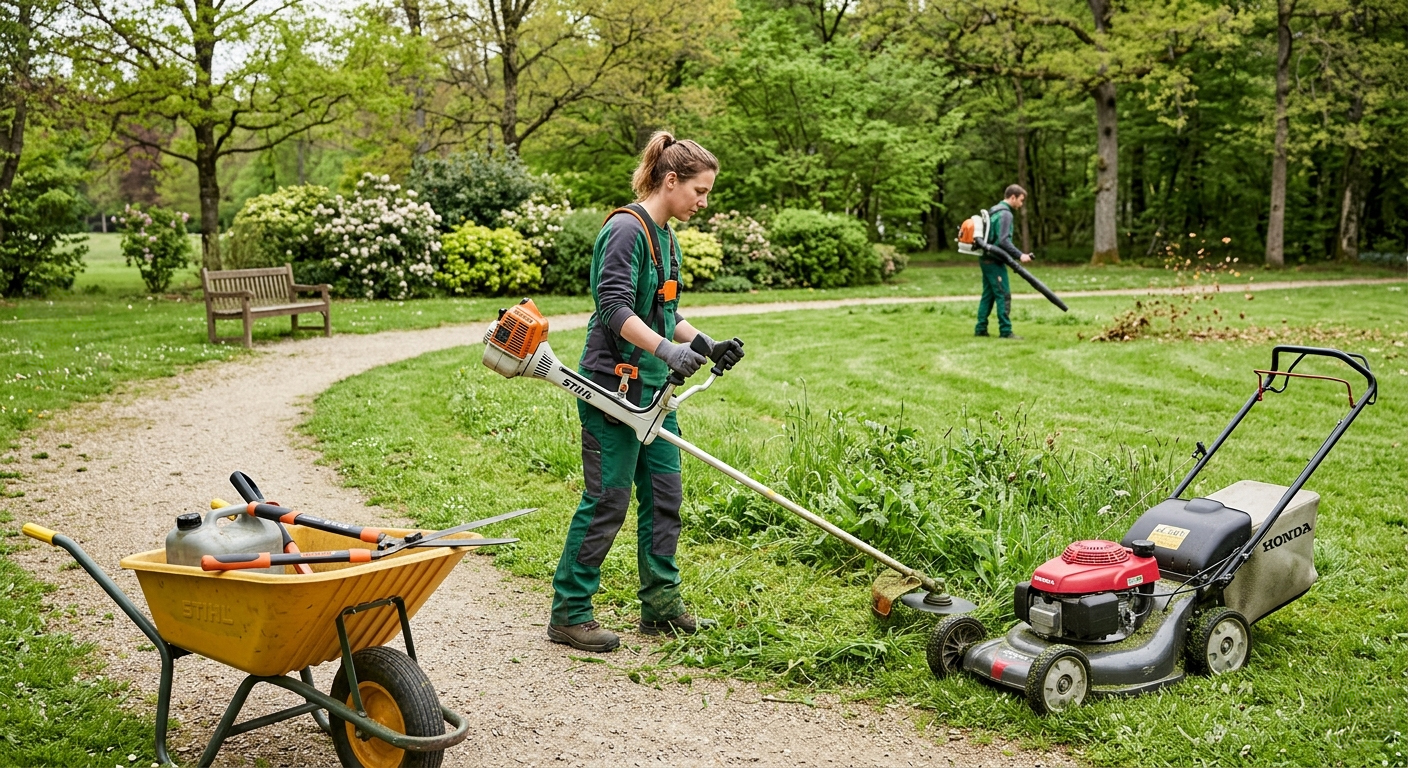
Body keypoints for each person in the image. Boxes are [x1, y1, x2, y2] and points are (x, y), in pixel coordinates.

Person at [547, 131, 745, 653]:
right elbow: (614, 310)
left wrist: (704, 343)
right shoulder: (625, 230)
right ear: (671, 180)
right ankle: (569, 611)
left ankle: (660, 607)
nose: (703, 202)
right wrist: (664, 349)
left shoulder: (667, 238)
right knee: (608, 500)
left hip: (656, 393)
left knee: (664, 498)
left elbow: (666, 312)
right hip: (612, 387)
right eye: (699, 191)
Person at [975, 184, 1034, 340]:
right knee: (1003, 294)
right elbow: (1003, 241)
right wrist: (1020, 255)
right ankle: (1005, 331)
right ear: (1012, 197)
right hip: (994, 261)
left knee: (988, 295)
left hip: (985, 258)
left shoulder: (993, 210)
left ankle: (980, 329)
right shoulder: (1006, 214)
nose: (1021, 205)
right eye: (1021, 201)